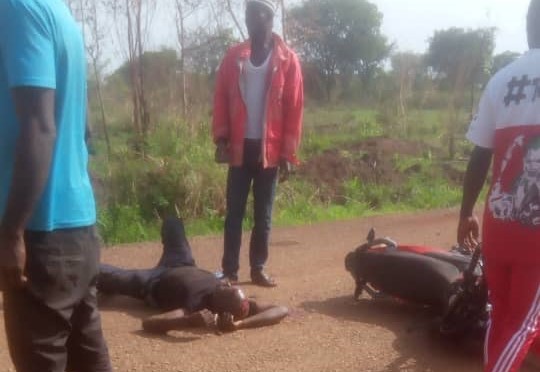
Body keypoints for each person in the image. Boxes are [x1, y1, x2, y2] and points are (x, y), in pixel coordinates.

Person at [0, 1, 113, 371]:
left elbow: (40, 125)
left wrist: (11, 232)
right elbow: (81, 128)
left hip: (40, 233)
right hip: (78, 228)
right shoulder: (57, 11)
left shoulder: (17, 9)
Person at [457, 1, 540, 371]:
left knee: (503, 316)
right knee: (523, 325)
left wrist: (465, 214)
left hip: (498, 227)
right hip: (534, 236)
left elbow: (479, 157)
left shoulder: (502, 80)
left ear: (528, 27)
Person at [212, 0, 304, 287]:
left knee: (263, 216)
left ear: (268, 18)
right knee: (234, 213)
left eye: (254, 14)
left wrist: (289, 153)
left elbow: (294, 107)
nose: (249, 19)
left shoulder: (288, 60)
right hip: (240, 147)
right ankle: (229, 270)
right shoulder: (233, 56)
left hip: (270, 150)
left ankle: (258, 269)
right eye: (247, 14)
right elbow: (221, 97)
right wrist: (222, 138)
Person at [97, 217, 289, 334]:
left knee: (100, 273)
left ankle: (90, 277)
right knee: (173, 222)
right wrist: (242, 325)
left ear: (221, 311)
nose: (227, 283)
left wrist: (187, 321)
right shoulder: (241, 301)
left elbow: (149, 323)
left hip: (151, 281)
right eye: (229, 286)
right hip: (182, 262)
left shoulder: (197, 308)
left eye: (226, 288)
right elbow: (281, 309)